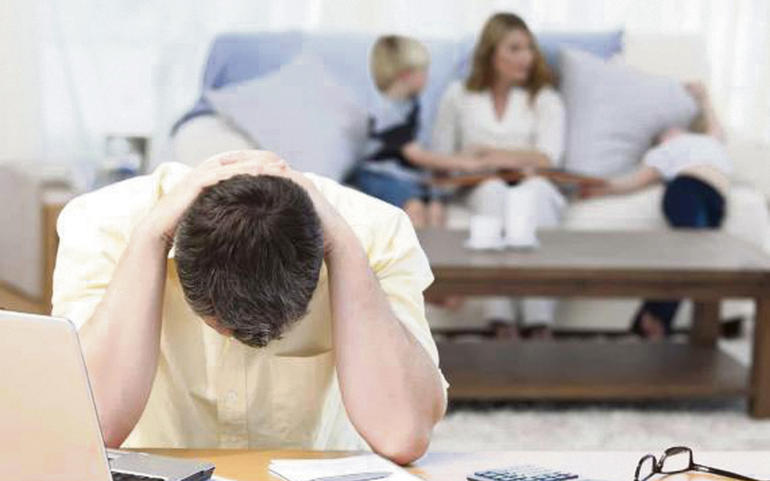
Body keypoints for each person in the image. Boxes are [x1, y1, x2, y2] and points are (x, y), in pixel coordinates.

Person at [51, 150, 448, 464]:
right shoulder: (101, 224)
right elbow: (87, 429)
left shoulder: (376, 231)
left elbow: (402, 434)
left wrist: (344, 248)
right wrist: (150, 239)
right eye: (217, 324)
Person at [432, 12, 567, 339]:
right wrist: (470, 162)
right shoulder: (458, 95)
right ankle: (499, 319)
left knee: (534, 193)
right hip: (481, 184)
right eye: (515, 49)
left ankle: (538, 321)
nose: (526, 57)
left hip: (534, 181)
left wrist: (491, 154)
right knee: (493, 191)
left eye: (529, 48)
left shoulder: (545, 98)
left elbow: (548, 157)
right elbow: (442, 157)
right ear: (492, 53)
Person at [585, 82, 731, 339]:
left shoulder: (708, 140)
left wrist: (704, 98)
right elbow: (636, 180)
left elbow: (715, 124)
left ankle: (648, 318)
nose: (673, 129)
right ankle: (655, 320)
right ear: (660, 141)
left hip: (715, 202)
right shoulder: (663, 152)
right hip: (687, 190)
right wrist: (605, 188)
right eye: (664, 132)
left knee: (699, 260)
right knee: (692, 250)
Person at [351, 35, 482, 228]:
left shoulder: (412, 104)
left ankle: (435, 248)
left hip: (408, 177)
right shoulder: (385, 111)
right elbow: (416, 155)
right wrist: (464, 163)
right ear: (406, 75)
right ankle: (412, 248)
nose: (428, 77)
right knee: (414, 209)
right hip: (381, 175)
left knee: (436, 208)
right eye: (424, 71)